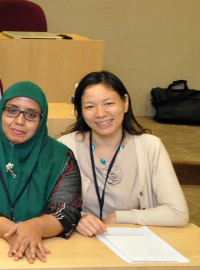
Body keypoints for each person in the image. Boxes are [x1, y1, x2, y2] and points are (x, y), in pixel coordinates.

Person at [0, 81, 82, 263]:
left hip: (42, 252)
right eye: (12, 110)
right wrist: (16, 234)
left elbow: (67, 209)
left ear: (41, 119)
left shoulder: (60, 157)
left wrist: (36, 227)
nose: (19, 121)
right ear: (0, 112)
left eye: (31, 115)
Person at [59, 71, 188, 236]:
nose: (100, 113)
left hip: (134, 244)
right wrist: (78, 217)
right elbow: (49, 205)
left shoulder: (150, 146)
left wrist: (120, 217)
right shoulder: (66, 147)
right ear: (81, 111)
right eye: (90, 106)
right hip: (82, 243)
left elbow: (177, 213)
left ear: (125, 103)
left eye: (108, 103)